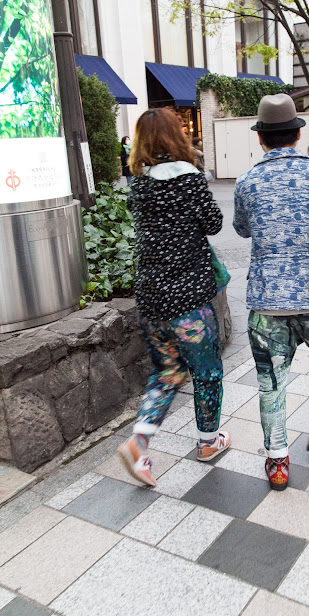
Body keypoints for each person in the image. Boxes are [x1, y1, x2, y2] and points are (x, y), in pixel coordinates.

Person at [233, 94, 309, 491]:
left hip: (267, 303)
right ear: (299, 133)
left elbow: (242, 230)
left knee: (270, 380)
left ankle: (278, 461)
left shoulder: (246, 180)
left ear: (261, 139)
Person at [118, 108, 230, 486]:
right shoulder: (189, 179)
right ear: (175, 137)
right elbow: (214, 223)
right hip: (189, 303)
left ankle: (139, 442)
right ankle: (208, 442)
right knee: (207, 371)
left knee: (167, 371)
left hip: (151, 298)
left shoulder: (139, 183)